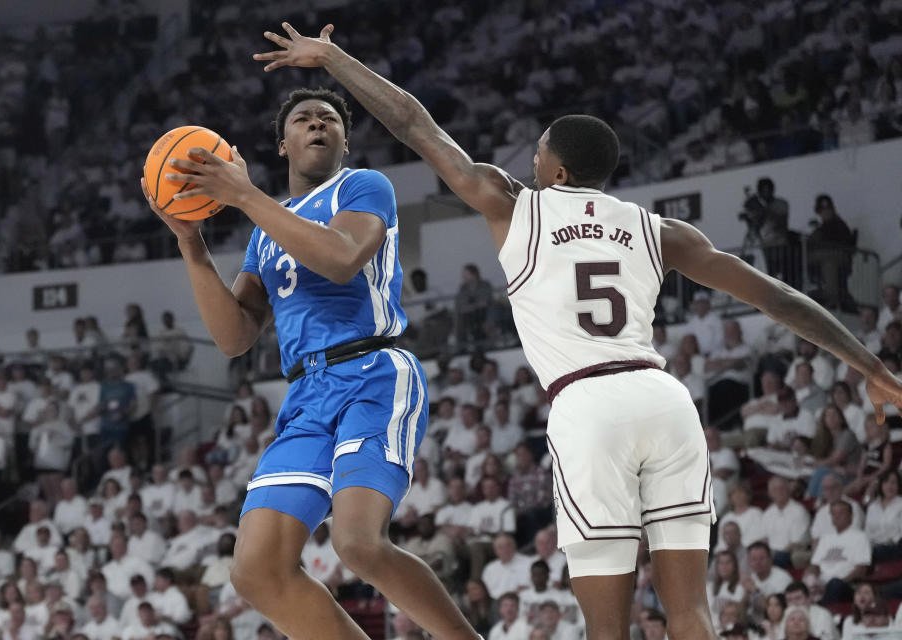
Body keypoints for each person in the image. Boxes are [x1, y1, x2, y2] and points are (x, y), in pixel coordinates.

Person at [258, 22, 902, 640]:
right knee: (691, 616)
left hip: (589, 406)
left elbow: (411, 124)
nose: (531, 155)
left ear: (557, 170)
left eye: (539, 148)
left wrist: (334, 60)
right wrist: (874, 370)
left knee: (605, 627)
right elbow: (778, 296)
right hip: (665, 399)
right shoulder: (659, 230)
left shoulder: (516, 204)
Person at [140, 87, 479, 639]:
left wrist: (247, 196)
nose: (318, 123)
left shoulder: (363, 186)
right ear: (283, 144)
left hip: (370, 372)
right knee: (256, 571)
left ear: (344, 141)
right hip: (304, 395)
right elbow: (234, 337)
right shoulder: (262, 234)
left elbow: (343, 258)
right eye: (303, 119)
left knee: (357, 544)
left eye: (330, 119)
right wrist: (191, 243)